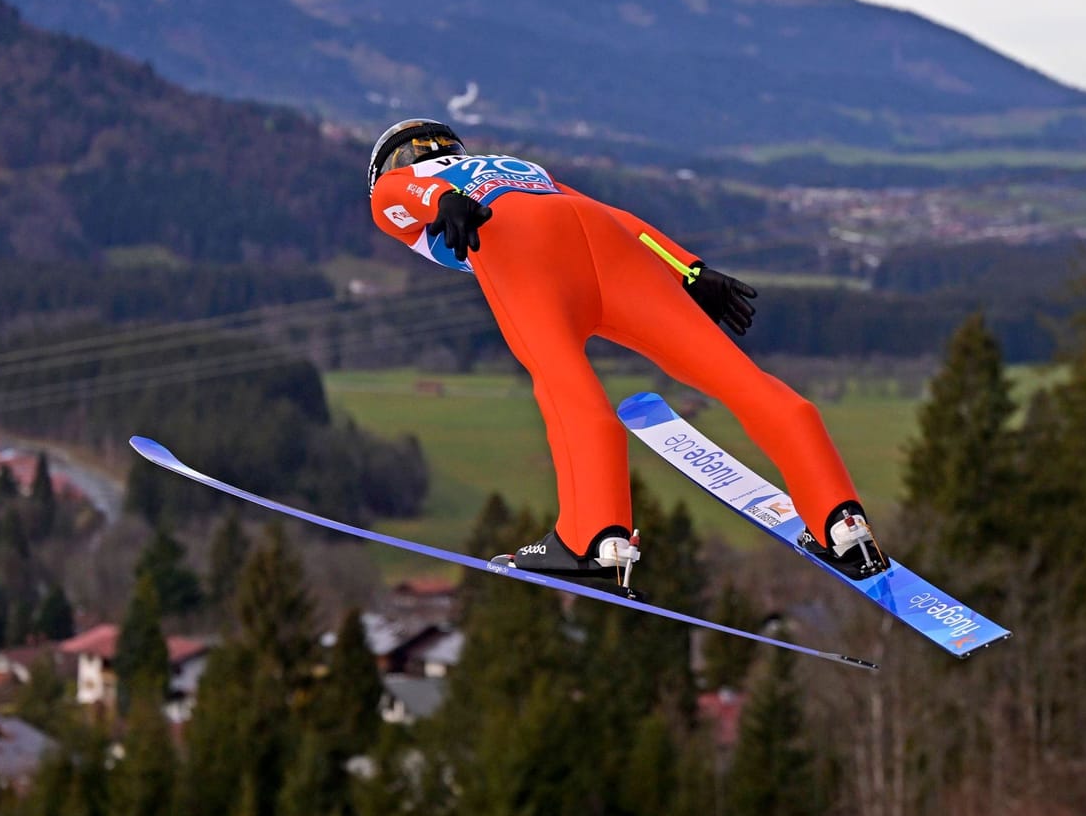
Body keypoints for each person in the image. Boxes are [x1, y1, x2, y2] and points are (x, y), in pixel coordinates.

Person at [366, 118, 886, 588]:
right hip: (604, 242)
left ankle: (593, 539)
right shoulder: (515, 166)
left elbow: (399, 191)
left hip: (520, 246)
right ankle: (841, 521)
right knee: (739, 378)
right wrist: (689, 269)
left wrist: (441, 202)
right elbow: (612, 215)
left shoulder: (406, 180)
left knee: (567, 389)